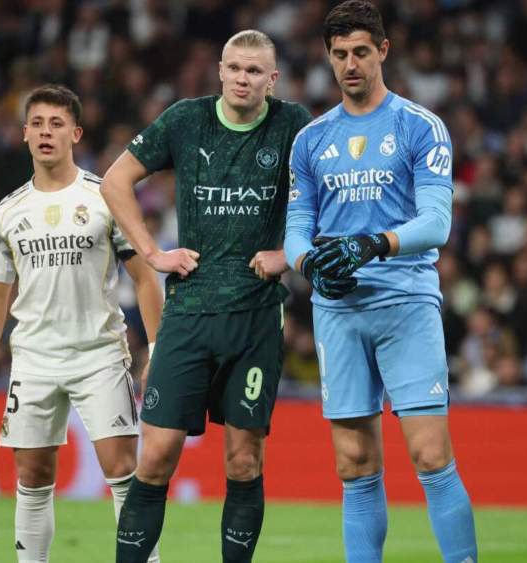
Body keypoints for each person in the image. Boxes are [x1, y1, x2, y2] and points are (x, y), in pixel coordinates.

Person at [99, 30, 312, 563]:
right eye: (235, 68)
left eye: (254, 70)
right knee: (157, 457)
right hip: (188, 315)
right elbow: (115, 180)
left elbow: (334, 192)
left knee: (244, 460)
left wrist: (288, 253)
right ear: (220, 70)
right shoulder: (186, 120)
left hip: (256, 318)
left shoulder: (294, 126)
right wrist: (152, 252)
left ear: (272, 79)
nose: (243, 78)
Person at [284, 2, 477, 562]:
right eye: (340, 54)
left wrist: (376, 243)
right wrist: (307, 264)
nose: (350, 64)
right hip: (338, 311)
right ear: (328, 56)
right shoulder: (310, 141)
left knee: (430, 456)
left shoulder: (420, 126)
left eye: (361, 52)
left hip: (406, 303)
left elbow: (436, 221)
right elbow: (298, 229)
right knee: (354, 465)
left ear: (383, 51)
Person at [0, 84, 163, 563]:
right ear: (24, 135)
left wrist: (156, 350)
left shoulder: (105, 198)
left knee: (122, 471)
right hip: (32, 359)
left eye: (56, 124)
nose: (46, 133)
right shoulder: (8, 212)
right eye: (37, 124)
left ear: (75, 133)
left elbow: (145, 279)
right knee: (32, 478)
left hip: (98, 355)